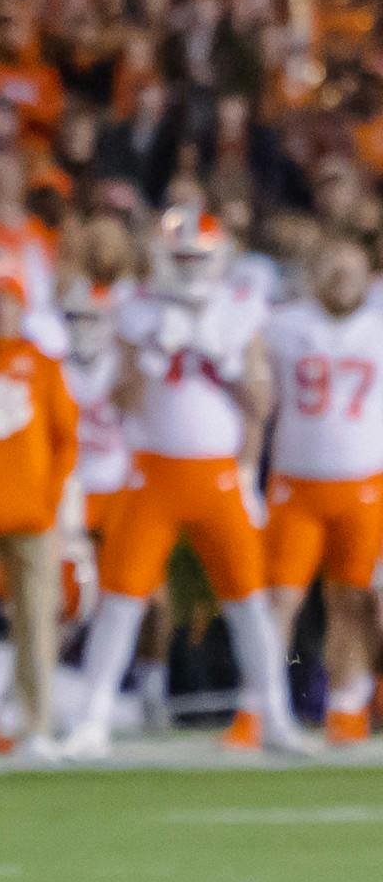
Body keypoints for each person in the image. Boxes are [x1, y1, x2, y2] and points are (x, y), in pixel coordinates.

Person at [67, 208, 300, 757]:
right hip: (153, 473)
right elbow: (118, 401)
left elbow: (263, 405)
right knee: (122, 599)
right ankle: (93, 719)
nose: (190, 268)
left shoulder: (237, 314)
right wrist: (152, 359)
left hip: (218, 475)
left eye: (198, 257)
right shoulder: (136, 312)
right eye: (181, 258)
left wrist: (224, 364)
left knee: (249, 602)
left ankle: (276, 717)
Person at [0, 265, 80, 758]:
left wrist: (47, 499)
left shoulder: (43, 364)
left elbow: (65, 439)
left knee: (37, 624)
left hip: (31, 516)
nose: (2, 308)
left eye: (10, 299)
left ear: (23, 307)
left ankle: (37, 724)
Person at [262, 236, 383, 742]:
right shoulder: (284, 326)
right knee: (278, 601)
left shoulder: (377, 327)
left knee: (351, 601)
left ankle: (345, 705)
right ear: (314, 276)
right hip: (296, 482)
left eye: (351, 270)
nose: (342, 279)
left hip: (363, 483)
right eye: (333, 270)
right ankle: (263, 704)